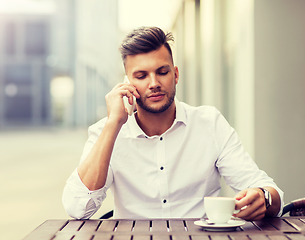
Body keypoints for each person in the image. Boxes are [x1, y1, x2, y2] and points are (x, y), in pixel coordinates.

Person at [62, 26, 283, 220]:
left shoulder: (210, 123)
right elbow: (78, 207)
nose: (154, 83)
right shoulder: (106, 131)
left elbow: (270, 192)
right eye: (141, 76)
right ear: (127, 84)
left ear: (175, 75)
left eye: (162, 72)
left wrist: (262, 197)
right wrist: (113, 124)